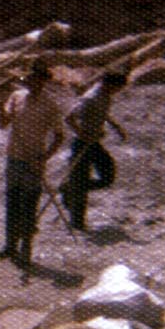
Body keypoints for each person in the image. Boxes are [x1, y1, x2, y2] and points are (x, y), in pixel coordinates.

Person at [0, 57, 65, 269]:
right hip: (14, 157)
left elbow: (59, 136)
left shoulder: (51, 105)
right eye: (31, 78)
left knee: (29, 206)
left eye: (39, 79)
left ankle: (26, 249)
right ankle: (9, 246)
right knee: (12, 202)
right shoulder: (16, 97)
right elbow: (3, 124)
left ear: (44, 81)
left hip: (34, 161)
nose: (34, 82)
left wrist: (44, 157)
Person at [60, 71, 127, 231]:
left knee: (107, 176)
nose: (118, 91)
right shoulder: (90, 97)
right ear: (109, 84)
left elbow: (103, 112)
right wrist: (83, 134)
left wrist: (115, 126)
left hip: (94, 143)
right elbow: (69, 118)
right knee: (80, 183)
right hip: (82, 144)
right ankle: (77, 222)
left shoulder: (105, 95)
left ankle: (69, 188)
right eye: (118, 88)